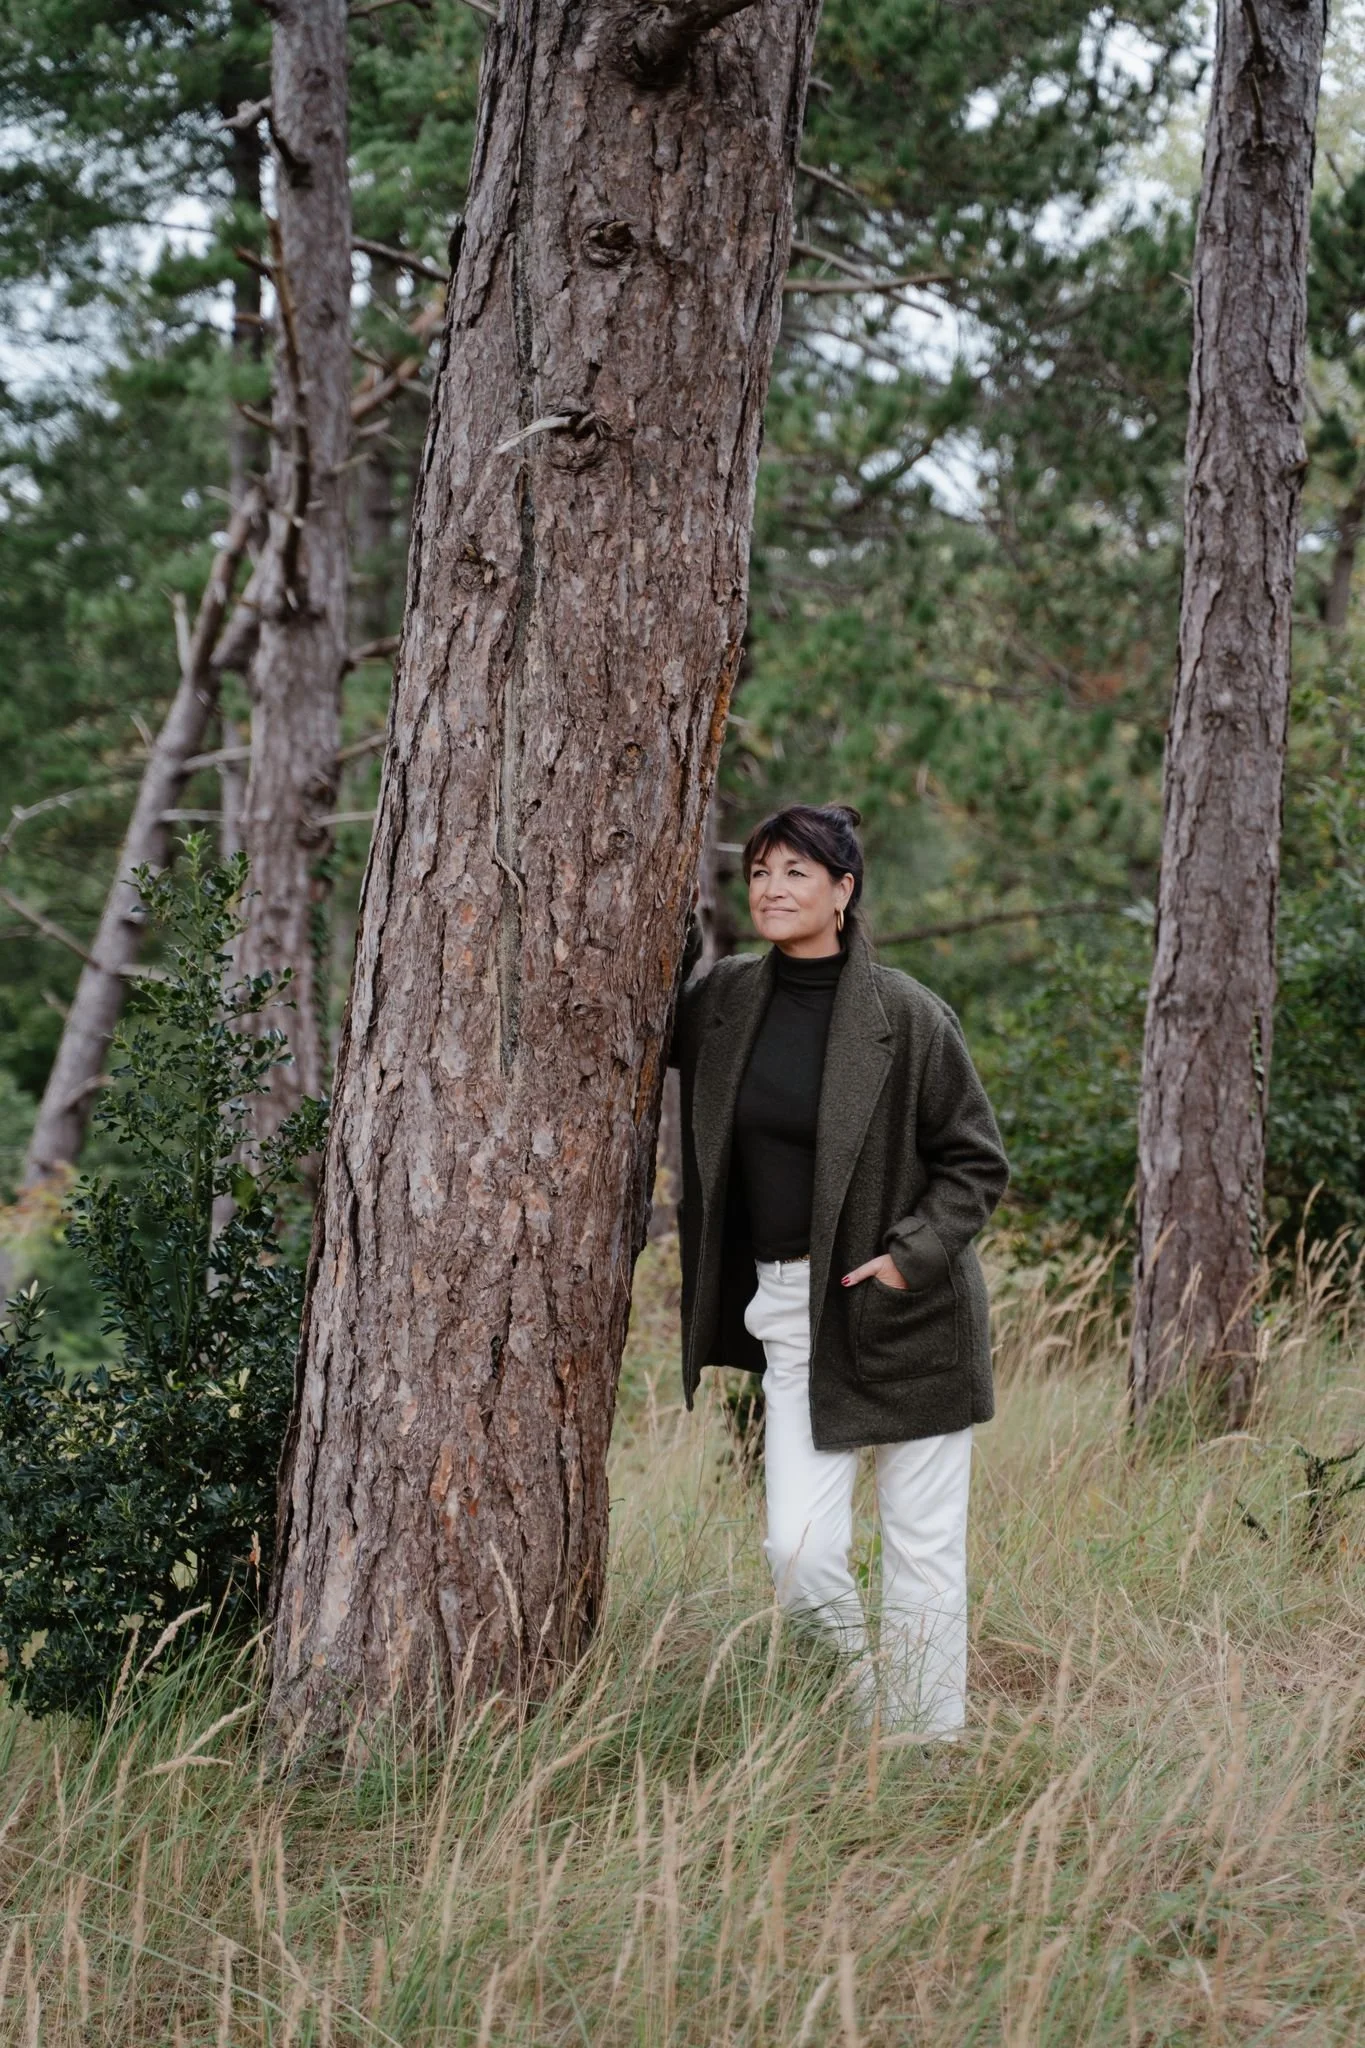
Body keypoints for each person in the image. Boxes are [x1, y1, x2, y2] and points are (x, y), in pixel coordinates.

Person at [666, 803, 1008, 1738]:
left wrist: (907, 1262)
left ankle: (926, 1747)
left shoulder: (905, 1014)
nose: (772, 890)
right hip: (786, 1308)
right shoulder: (723, 1003)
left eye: (797, 874)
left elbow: (975, 1162)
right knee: (799, 1550)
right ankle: (864, 1718)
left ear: (843, 891)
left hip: (908, 1317)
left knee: (924, 1553)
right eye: (762, 872)